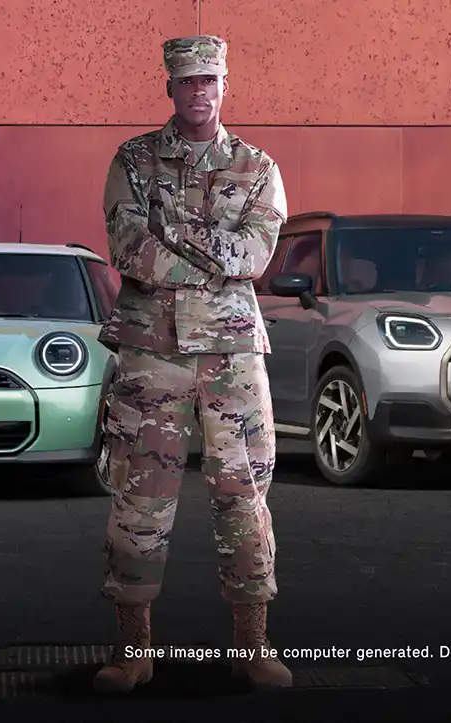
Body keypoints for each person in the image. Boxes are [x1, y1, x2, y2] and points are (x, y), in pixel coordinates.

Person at [92, 34, 292, 693]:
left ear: (224, 83)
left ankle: (252, 644)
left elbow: (254, 256)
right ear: (170, 86)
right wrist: (211, 256)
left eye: (210, 79)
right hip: (152, 355)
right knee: (139, 497)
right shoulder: (135, 160)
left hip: (231, 360)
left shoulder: (259, 167)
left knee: (243, 497)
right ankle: (133, 650)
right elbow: (129, 248)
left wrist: (175, 230)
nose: (199, 90)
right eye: (187, 81)